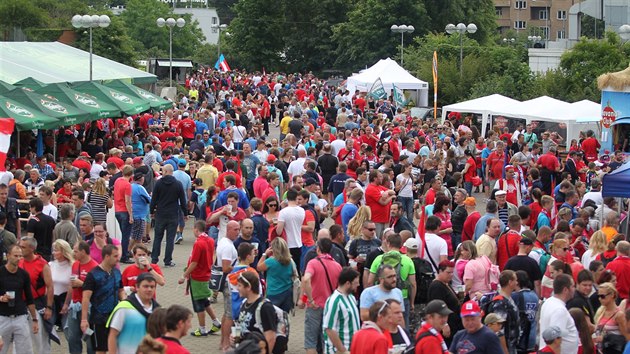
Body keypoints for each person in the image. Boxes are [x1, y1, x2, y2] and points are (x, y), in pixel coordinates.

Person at [81, 244, 126, 354]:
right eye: (115, 256)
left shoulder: (116, 272)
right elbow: (86, 298)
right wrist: (84, 319)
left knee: (114, 348)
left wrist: (125, 302)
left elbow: (120, 290)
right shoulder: (93, 275)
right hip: (98, 320)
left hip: (115, 317)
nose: (118, 259)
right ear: (106, 256)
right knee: (101, 350)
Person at [301, 238, 342, 354]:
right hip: (330, 307)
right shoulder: (337, 265)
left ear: (318, 249)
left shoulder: (313, 263)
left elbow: (306, 279)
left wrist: (310, 299)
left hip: (314, 307)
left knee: (311, 342)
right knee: (327, 341)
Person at [368, 232, 416, 326]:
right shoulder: (407, 260)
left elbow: (370, 281)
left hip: (380, 298)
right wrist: (412, 302)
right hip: (402, 297)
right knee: (401, 327)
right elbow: (413, 284)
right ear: (401, 245)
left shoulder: (379, 259)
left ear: (388, 243)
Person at [106, 272, 161, 354]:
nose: (149, 289)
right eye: (145, 286)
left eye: (152, 287)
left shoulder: (158, 310)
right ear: (137, 287)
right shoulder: (124, 307)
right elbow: (112, 335)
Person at [18, 236, 55, 354]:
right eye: (19, 246)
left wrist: (49, 307)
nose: (20, 249)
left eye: (23, 247)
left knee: (40, 339)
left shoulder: (42, 264)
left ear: (32, 248)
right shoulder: (19, 261)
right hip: (20, 305)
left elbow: (50, 286)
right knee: (20, 339)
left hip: (37, 304)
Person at [0, 244, 39, 354]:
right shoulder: (1, 272)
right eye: (15, 256)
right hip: (2, 317)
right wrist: (1, 298)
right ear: (8, 256)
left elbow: (29, 298)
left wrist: (35, 319)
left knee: (25, 351)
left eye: (20, 256)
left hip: (20, 316)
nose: (18, 259)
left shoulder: (24, 274)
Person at [65, 241, 99, 354]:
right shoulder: (75, 264)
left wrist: (82, 284)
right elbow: (71, 285)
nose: (73, 253)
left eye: (76, 251)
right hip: (74, 306)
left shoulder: (95, 267)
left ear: (83, 252)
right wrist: (66, 303)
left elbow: (98, 290)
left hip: (89, 307)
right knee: (72, 338)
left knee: (89, 339)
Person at [150, 164, 187, 268]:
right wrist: (185, 213)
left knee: (158, 237)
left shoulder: (159, 183)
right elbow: (183, 200)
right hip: (173, 214)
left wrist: (151, 211)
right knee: (170, 238)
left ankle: (154, 258)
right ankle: (167, 260)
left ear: (165, 171)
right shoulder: (178, 184)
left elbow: (154, 199)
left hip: (161, 214)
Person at [235, 271, 278, 352]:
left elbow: (271, 337)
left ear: (248, 287)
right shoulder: (244, 303)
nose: (237, 288)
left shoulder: (265, 307)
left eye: (240, 285)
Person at [322, 267, 361, 354]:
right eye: (355, 283)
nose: (358, 285)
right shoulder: (334, 301)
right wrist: (342, 350)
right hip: (339, 351)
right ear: (348, 283)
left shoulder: (351, 297)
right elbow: (329, 328)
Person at [482, 270, 520, 354]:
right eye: (515, 280)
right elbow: (498, 330)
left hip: (511, 345)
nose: (517, 283)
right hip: (505, 348)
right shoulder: (500, 303)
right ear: (510, 282)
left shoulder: (508, 299)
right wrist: (505, 351)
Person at [538, 274, 579, 354]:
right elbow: (555, 341)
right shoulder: (559, 310)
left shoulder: (549, 302)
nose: (575, 289)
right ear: (565, 290)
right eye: (573, 286)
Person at [426, 260, 463, 344]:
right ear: (440, 271)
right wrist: (444, 325)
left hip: (455, 324)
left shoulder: (445, 283)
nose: (451, 275)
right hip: (448, 325)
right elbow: (437, 308)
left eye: (452, 272)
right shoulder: (437, 286)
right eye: (448, 272)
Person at [257, 237, 295, 313]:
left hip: (274, 292)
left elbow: (259, 267)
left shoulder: (271, 261)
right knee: (284, 316)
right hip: (287, 291)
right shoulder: (290, 261)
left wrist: (265, 254)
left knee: (272, 316)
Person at [217, 220, 239, 350]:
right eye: (235, 230)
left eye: (238, 229)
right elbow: (225, 267)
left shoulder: (226, 243)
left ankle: (222, 342)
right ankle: (225, 343)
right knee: (230, 314)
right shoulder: (227, 246)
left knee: (227, 313)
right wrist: (239, 268)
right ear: (228, 230)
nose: (238, 232)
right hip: (229, 283)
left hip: (228, 283)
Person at [275, 189, 305, 270]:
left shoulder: (283, 212)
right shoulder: (302, 211)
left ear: (287, 198)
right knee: (296, 268)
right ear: (296, 197)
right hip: (298, 242)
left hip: (287, 244)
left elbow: (279, 231)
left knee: (286, 269)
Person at [49, 239, 73, 333]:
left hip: (65, 300)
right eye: (53, 250)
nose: (53, 252)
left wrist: (66, 304)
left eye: (56, 250)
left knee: (67, 329)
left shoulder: (72, 266)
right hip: (52, 301)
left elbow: (71, 287)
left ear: (64, 251)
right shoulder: (50, 265)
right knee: (49, 329)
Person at [113, 165, 134, 264]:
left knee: (123, 234)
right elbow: (127, 201)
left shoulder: (117, 181)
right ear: (131, 174)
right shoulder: (127, 185)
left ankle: (124, 253)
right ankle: (124, 256)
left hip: (117, 210)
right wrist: (131, 215)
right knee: (126, 236)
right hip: (124, 211)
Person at [130, 172, 151, 254]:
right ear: (141, 179)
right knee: (136, 236)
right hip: (139, 215)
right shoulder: (140, 188)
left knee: (138, 236)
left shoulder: (130, 186)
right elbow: (149, 199)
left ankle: (144, 250)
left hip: (133, 212)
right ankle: (127, 251)